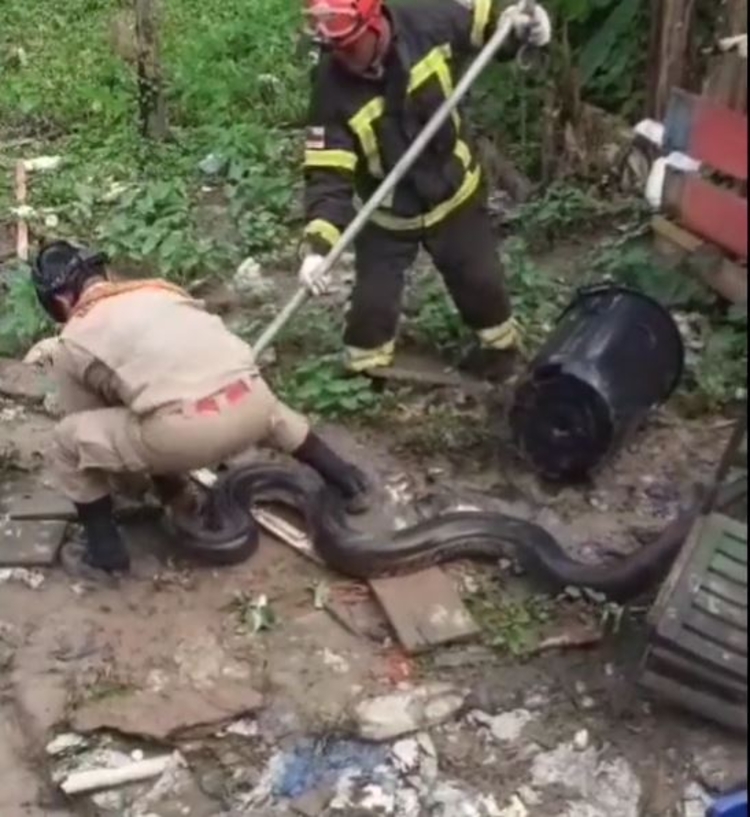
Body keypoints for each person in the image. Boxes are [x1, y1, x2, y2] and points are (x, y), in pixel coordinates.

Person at [31, 241, 370, 574]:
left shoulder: (72, 341)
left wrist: (136, 488)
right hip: (254, 404)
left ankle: (105, 554)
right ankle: (347, 479)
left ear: (60, 301)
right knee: (255, 399)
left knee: (68, 442)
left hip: (185, 432)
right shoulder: (161, 291)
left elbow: (89, 430)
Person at [298, 0, 551, 381]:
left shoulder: (426, 19)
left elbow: (488, 25)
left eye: (350, 45)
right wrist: (318, 249)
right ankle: (366, 377)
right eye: (335, 47)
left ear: (374, 24)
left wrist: (521, 27)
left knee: (482, 285)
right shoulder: (331, 89)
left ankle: (500, 355)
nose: (343, 56)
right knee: (371, 309)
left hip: (454, 194)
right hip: (387, 215)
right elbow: (328, 176)